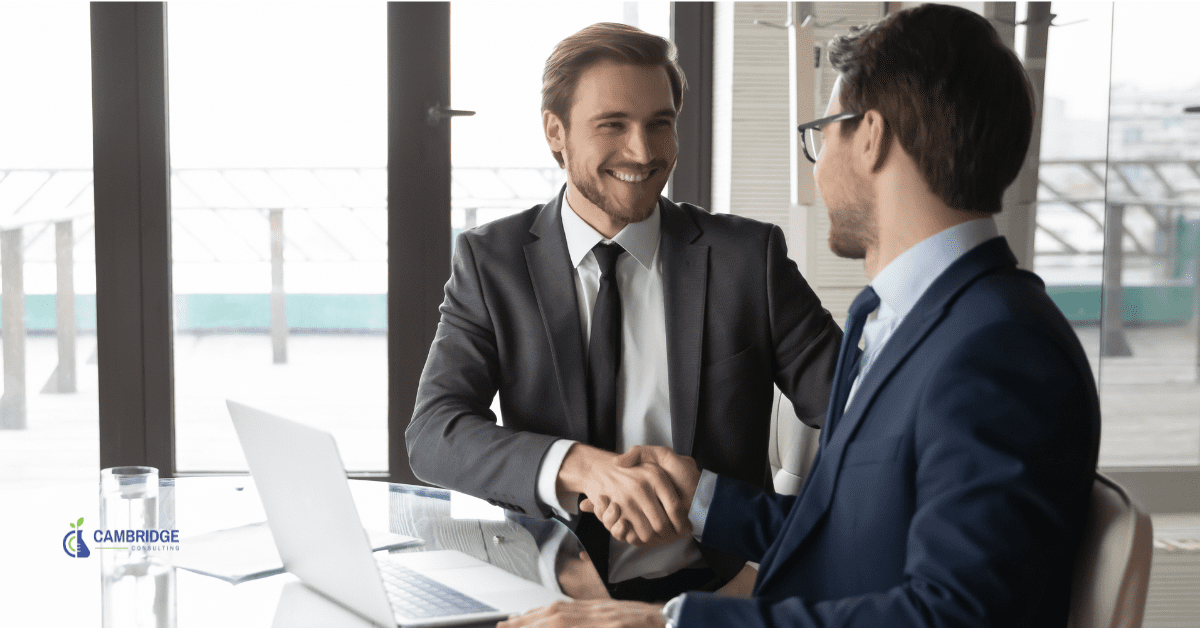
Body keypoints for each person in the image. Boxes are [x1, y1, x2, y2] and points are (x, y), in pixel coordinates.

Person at [498, 4, 1101, 627]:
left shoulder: (997, 350)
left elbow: (958, 617)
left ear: (870, 136)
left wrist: (664, 624)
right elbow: (845, 537)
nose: (819, 165)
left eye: (823, 131)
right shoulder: (905, 322)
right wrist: (700, 497)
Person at [405, 22, 842, 602]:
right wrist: (577, 466)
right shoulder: (493, 262)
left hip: (717, 592)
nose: (642, 152)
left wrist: (773, 563)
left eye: (660, 124)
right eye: (613, 125)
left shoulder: (747, 259)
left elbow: (864, 411)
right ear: (555, 132)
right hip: (555, 590)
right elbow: (434, 432)